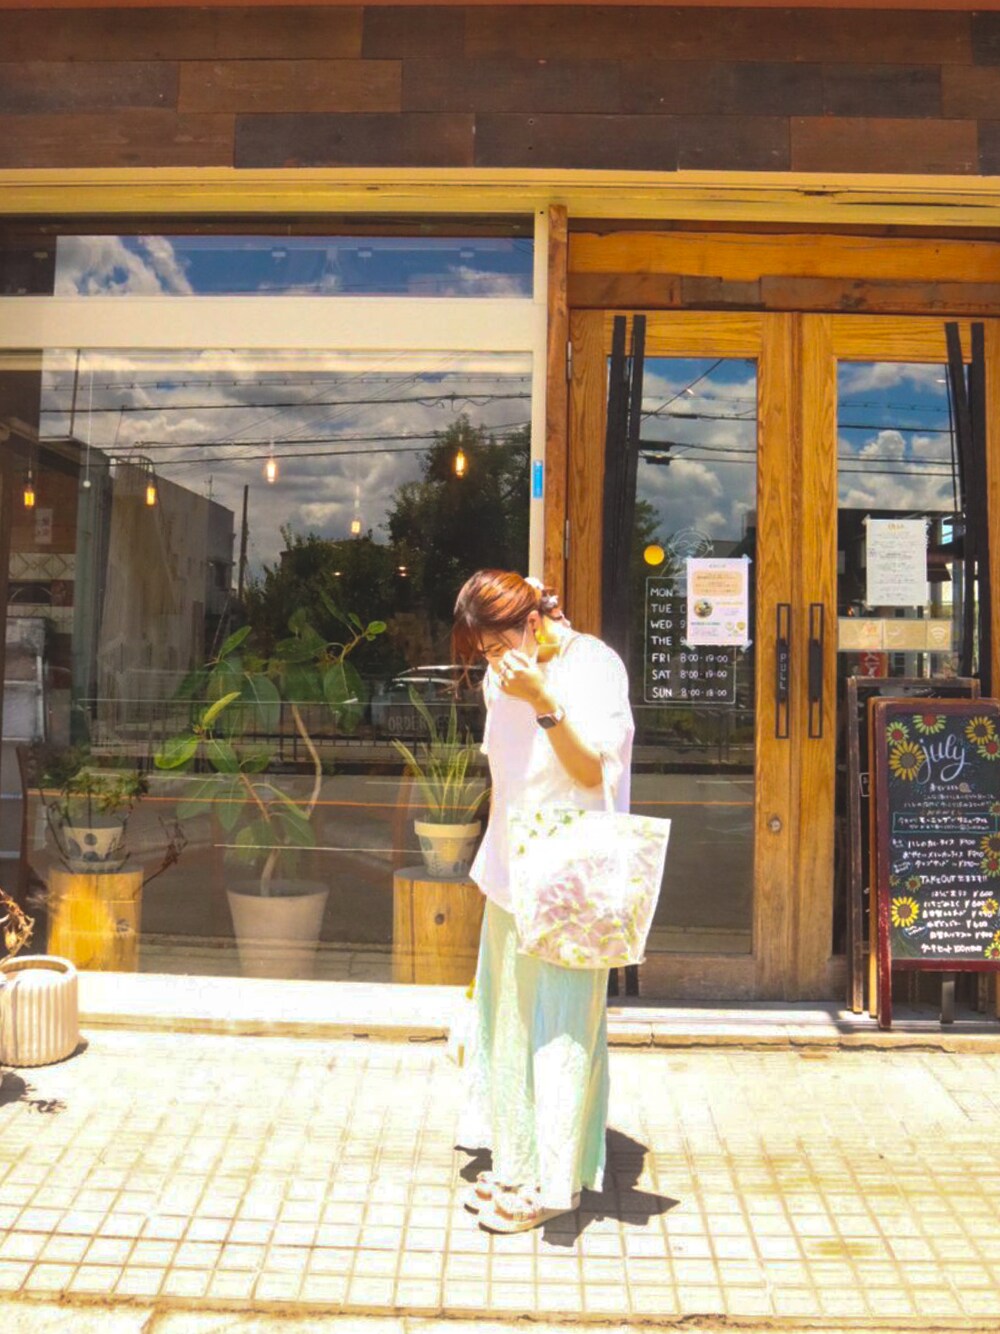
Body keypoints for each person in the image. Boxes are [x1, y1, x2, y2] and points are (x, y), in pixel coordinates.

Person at [451, 568, 634, 1234]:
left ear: (533, 622)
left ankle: (552, 1185)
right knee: (508, 1026)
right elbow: (508, 776)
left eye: (500, 645)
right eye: (485, 652)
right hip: (510, 873)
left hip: (571, 881)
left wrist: (544, 701)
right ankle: (516, 1162)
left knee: (561, 1030)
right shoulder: (500, 679)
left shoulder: (593, 667)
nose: (494, 661)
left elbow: (592, 773)